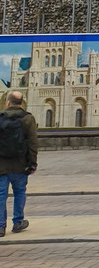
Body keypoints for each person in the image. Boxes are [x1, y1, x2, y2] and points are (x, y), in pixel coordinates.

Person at [0, 91, 37, 236]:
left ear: (8, 102)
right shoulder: (27, 119)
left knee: (1, 195)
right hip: (20, 165)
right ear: (21, 103)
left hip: (1, 166)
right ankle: (18, 223)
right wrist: (33, 163)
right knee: (20, 192)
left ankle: (1, 226)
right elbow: (33, 143)